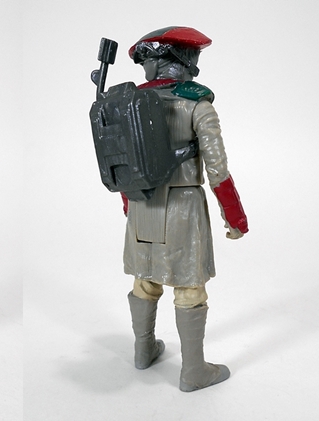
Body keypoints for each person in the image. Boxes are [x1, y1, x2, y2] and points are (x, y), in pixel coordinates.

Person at [122, 27, 248, 392]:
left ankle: (143, 351)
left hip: (142, 204)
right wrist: (235, 218)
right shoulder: (198, 106)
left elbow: (122, 162)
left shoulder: (128, 105)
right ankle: (193, 371)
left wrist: (129, 203)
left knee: (145, 279)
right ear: (183, 61)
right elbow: (217, 170)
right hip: (183, 205)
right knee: (190, 287)